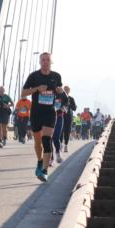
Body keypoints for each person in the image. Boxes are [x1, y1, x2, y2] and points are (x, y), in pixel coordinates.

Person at [22, 52, 63, 182]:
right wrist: (37, 89)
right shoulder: (34, 76)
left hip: (50, 113)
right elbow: (23, 93)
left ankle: (44, 171)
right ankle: (40, 161)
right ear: (40, 62)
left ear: (51, 62)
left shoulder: (56, 76)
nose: (45, 62)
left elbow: (59, 90)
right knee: (38, 142)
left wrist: (60, 91)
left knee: (46, 140)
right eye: (43, 60)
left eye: (47, 60)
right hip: (36, 113)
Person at [51, 85, 70, 164]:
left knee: (56, 137)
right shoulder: (47, 91)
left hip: (59, 117)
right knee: (48, 138)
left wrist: (64, 108)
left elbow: (66, 104)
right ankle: (51, 158)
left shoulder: (63, 94)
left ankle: (58, 154)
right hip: (48, 117)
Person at [62, 85, 76, 151]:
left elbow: (74, 108)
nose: (66, 91)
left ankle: (66, 145)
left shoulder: (71, 98)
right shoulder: (60, 97)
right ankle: (60, 144)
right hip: (61, 116)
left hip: (69, 116)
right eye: (65, 89)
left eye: (67, 90)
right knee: (61, 130)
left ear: (69, 91)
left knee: (67, 131)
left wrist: (69, 104)